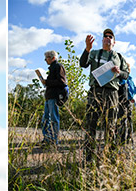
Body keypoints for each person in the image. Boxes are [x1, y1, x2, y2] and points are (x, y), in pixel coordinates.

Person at [79, 28, 129, 161]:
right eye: (105, 36)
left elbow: (126, 74)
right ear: (102, 40)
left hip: (112, 93)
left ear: (114, 41)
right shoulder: (94, 53)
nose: (107, 38)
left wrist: (119, 72)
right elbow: (82, 64)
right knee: (90, 123)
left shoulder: (119, 57)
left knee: (110, 125)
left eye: (110, 36)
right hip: (95, 91)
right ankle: (88, 157)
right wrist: (87, 49)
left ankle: (109, 156)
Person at [39, 50, 67, 146]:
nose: (45, 60)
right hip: (49, 97)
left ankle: (54, 141)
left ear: (53, 58)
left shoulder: (58, 66)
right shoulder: (52, 68)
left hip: (54, 97)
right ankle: (47, 139)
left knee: (54, 119)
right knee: (45, 120)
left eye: (46, 58)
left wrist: (47, 82)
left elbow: (62, 82)